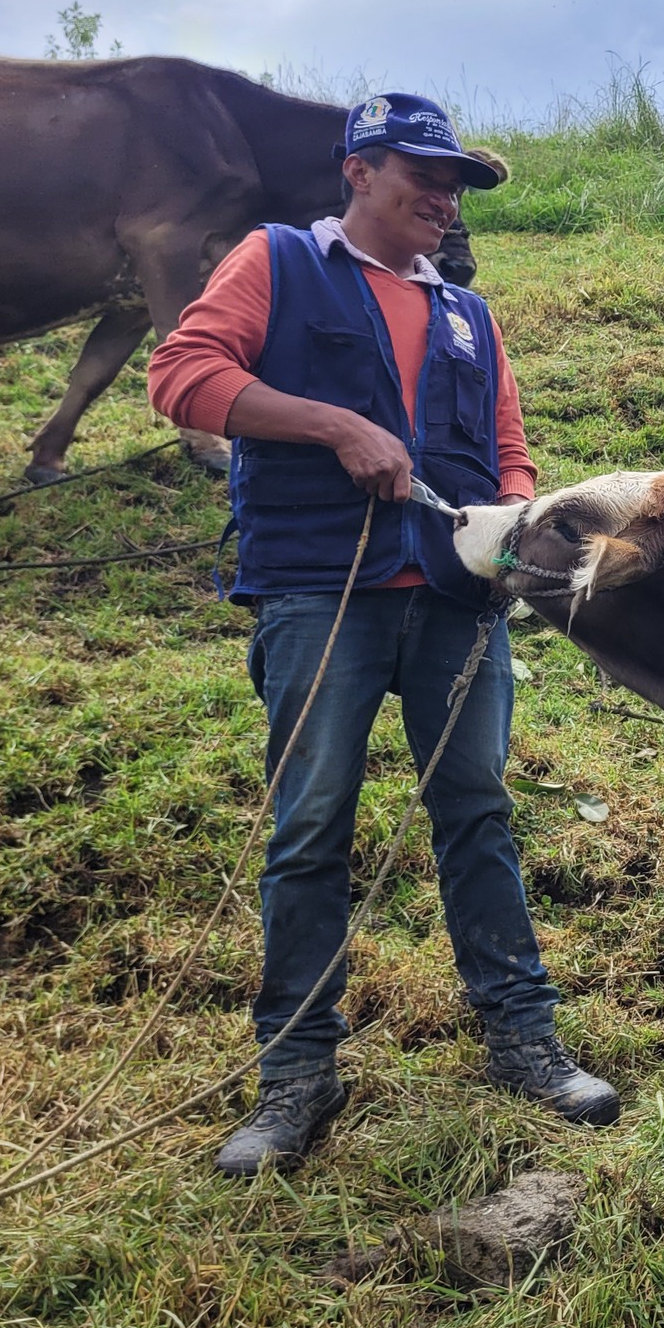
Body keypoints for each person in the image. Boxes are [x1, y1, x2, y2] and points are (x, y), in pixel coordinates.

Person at [147, 93, 619, 1176]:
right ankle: (297, 1073)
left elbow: (506, 443)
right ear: (357, 171)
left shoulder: (467, 312)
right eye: (424, 173)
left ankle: (524, 1039)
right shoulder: (276, 262)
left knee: (478, 814)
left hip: (455, 602)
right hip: (322, 593)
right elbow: (181, 378)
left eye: (455, 182)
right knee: (311, 829)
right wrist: (331, 423)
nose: (444, 198)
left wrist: (512, 524)